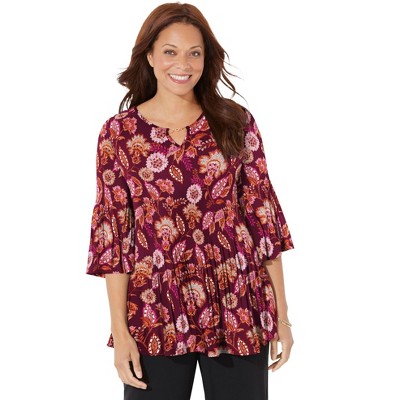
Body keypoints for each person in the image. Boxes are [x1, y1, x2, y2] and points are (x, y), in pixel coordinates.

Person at [86, 2, 295, 399]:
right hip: (155, 307)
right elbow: (114, 238)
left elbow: (262, 221)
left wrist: (282, 317)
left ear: (205, 59)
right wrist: (120, 332)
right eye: (170, 51)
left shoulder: (236, 122)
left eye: (194, 53)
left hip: (237, 303)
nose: (182, 64)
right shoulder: (119, 134)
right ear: (149, 56)